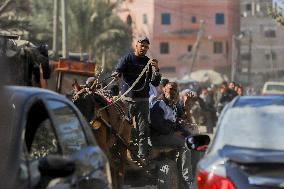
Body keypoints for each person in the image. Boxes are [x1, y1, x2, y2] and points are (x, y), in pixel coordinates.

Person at [112, 36, 161, 163]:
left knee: (143, 130)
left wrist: (157, 69)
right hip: (127, 100)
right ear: (136, 46)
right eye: (142, 46)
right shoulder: (127, 58)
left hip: (143, 101)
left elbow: (155, 83)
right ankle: (119, 154)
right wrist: (116, 74)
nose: (144, 48)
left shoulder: (148, 63)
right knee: (122, 128)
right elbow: (118, 70)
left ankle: (142, 155)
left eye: (146, 47)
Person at [149, 82, 193, 189]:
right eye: (170, 89)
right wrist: (172, 132)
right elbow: (158, 124)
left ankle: (183, 174)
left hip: (167, 136)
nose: (172, 92)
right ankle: (187, 180)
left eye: (175, 90)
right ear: (164, 90)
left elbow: (174, 122)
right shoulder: (159, 104)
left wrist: (184, 132)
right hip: (158, 137)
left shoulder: (172, 105)